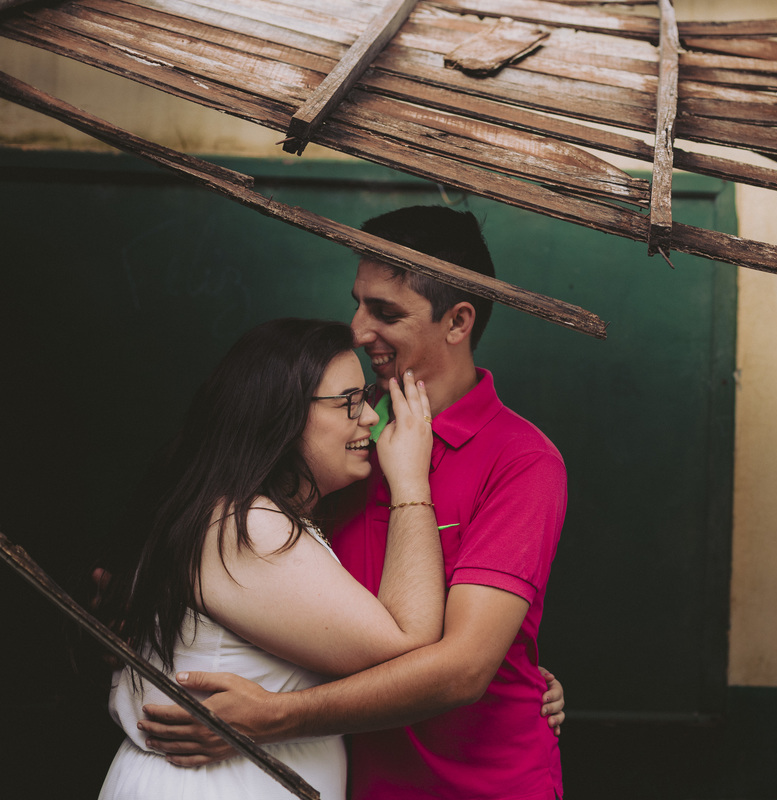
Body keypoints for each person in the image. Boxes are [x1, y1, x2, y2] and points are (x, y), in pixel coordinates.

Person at [139, 207, 569, 800]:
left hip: (479, 787)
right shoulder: (341, 437)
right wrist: (141, 602)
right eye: (359, 302)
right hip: (345, 782)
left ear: (458, 321)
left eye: (386, 312)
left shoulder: (521, 459)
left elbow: (466, 669)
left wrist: (276, 715)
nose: (359, 329)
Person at [97, 318, 445, 799]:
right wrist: (411, 481)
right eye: (349, 401)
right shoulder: (246, 526)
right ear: (281, 415)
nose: (370, 416)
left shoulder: (245, 515)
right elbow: (410, 648)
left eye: (364, 396)